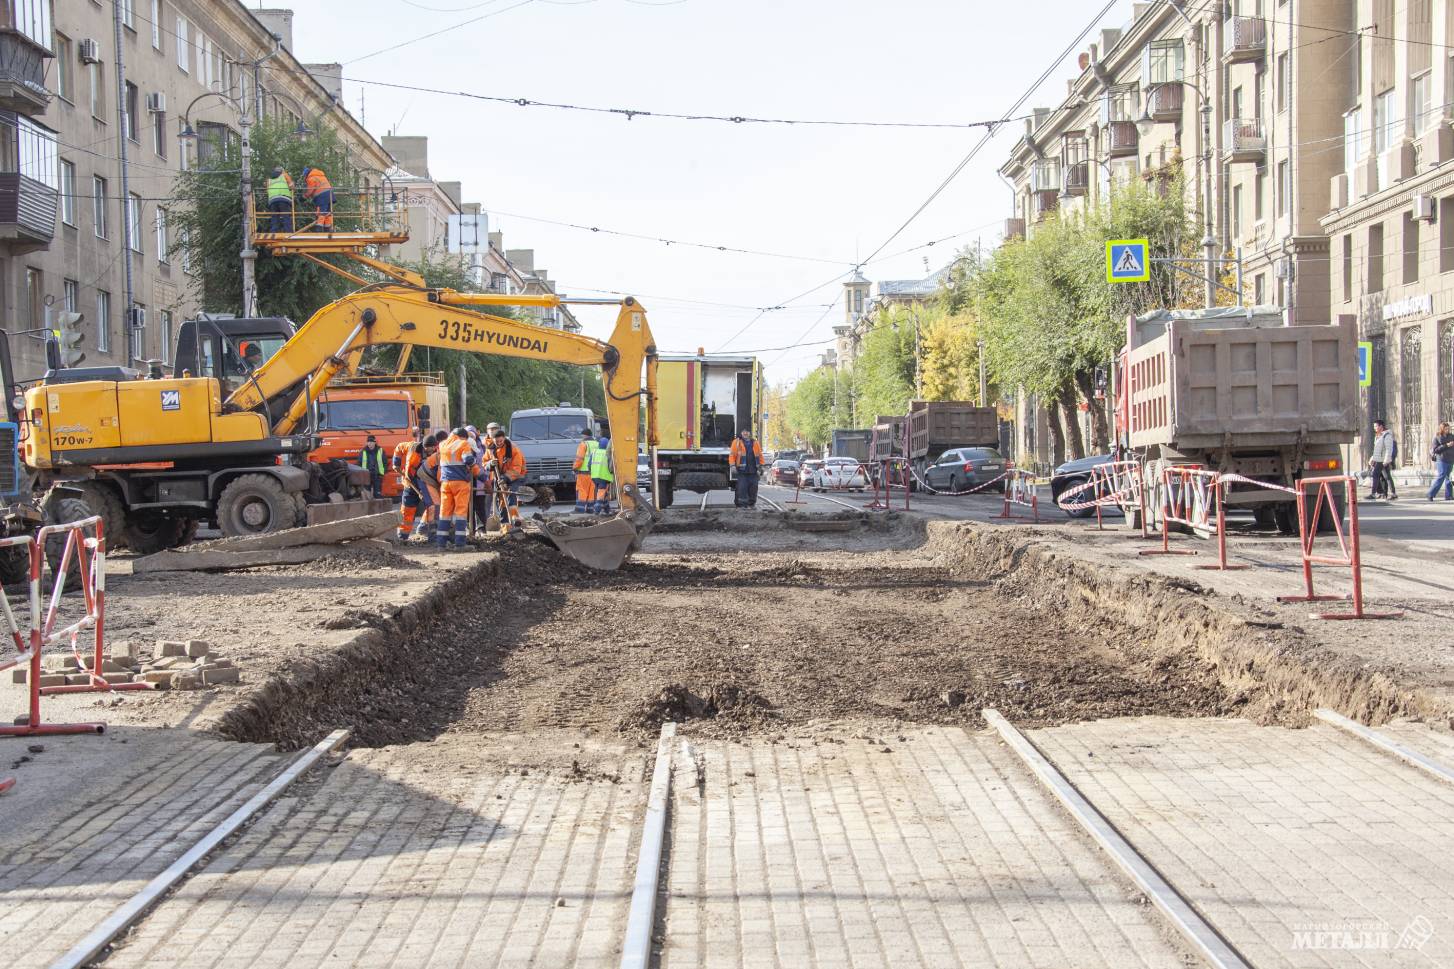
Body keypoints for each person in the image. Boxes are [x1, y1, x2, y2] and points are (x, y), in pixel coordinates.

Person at [434, 427, 478, 551]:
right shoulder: (463, 443)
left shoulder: (442, 444)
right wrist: (481, 476)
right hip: (460, 482)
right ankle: (460, 544)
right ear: (464, 437)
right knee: (460, 514)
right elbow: (468, 460)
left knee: (444, 514)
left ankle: (441, 545)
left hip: (446, 483)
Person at [484, 422, 527, 533]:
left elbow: (516, 468)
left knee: (510, 494)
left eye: (500, 441)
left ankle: (515, 521)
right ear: (492, 440)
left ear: (504, 439)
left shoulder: (513, 449)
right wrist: (490, 464)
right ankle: (505, 526)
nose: (498, 443)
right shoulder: (490, 450)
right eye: (496, 441)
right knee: (501, 501)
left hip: (516, 477)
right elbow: (484, 463)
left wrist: (506, 478)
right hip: (499, 477)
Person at [395, 436, 434, 542]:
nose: (429, 451)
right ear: (424, 446)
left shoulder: (438, 453)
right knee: (407, 510)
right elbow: (399, 447)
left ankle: (423, 528)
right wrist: (396, 462)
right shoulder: (412, 447)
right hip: (410, 483)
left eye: (432, 448)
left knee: (432, 507)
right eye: (427, 448)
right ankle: (402, 536)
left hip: (427, 484)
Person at [729, 428, 764, 509]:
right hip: (742, 471)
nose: (745, 433)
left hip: (753, 470)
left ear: (750, 433)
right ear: (741, 433)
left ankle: (751, 504)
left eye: (747, 431)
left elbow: (760, 455)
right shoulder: (736, 442)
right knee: (742, 488)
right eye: (743, 431)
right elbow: (732, 455)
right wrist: (732, 465)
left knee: (753, 488)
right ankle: (742, 505)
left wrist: (761, 466)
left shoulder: (755, 443)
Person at [1368, 420, 1398, 500]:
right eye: (1374, 426)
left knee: (1375, 475)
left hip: (1382, 460)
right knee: (1387, 477)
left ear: (1381, 426)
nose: (1374, 428)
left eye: (1376, 426)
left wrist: (1386, 460)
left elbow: (1389, 449)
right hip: (1378, 459)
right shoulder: (1378, 436)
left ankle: (1374, 493)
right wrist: (1372, 458)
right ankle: (1391, 493)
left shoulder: (1387, 436)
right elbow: (1377, 450)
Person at [301, 165, 334, 231]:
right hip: (330, 194)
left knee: (321, 212)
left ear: (306, 174)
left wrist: (303, 197)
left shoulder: (311, 178)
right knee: (327, 212)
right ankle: (328, 228)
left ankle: (319, 228)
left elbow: (310, 190)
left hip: (322, 196)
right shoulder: (321, 176)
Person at [573, 428, 597, 514]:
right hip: (595, 473)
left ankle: (580, 509)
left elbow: (579, 459)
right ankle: (590, 509)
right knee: (591, 491)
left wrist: (575, 468)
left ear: (584, 435)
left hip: (583, 472)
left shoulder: (583, 444)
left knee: (582, 490)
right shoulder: (597, 444)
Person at [1429, 421, 1454, 501]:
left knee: (1448, 478)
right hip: (1441, 460)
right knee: (1441, 476)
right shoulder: (1437, 437)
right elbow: (1435, 450)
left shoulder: (1452, 436)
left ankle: (1449, 495)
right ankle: (1431, 494)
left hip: (1450, 459)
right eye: (1445, 429)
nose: (1447, 430)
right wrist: (1446, 445)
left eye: (1448, 428)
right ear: (1442, 429)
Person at [589, 435, 614, 515]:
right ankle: (597, 511)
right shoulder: (608, 453)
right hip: (604, 477)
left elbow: (589, 465)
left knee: (604, 494)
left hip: (595, 476)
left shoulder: (594, 452)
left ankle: (607, 510)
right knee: (601, 494)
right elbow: (611, 466)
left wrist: (592, 473)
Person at [265, 166, 295, 233]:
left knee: (274, 217)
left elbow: (267, 190)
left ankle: (274, 232)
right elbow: (291, 186)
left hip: (272, 200)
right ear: (282, 171)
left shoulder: (269, 180)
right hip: (284, 198)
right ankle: (288, 232)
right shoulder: (284, 175)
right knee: (286, 216)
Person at [357, 434, 387, 499]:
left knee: (377, 495)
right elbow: (359, 464)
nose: (369, 444)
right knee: (367, 496)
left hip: (377, 476)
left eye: (371, 442)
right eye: (368, 442)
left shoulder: (380, 450)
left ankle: (378, 508)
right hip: (366, 476)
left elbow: (385, 463)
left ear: (374, 443)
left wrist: (382, 473)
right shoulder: (363, 451)